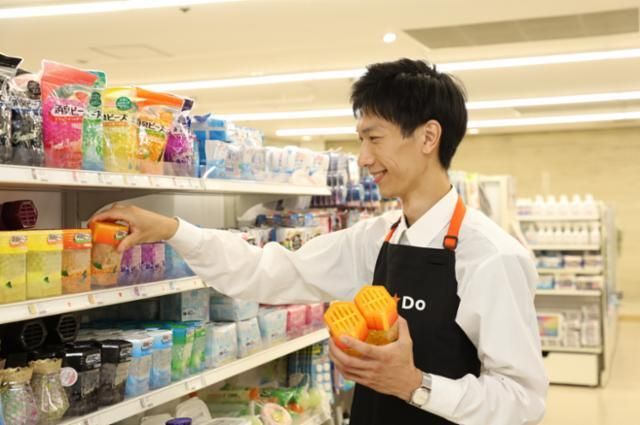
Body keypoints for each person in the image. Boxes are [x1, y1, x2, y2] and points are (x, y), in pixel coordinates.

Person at [91, 58, 548, 425]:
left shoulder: (491, 257)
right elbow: (268, 271)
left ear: (428, 136)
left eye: (374, 138)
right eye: (360, 140)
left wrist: (415, 384)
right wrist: (173, 230)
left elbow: (522, 401)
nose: (363, 158)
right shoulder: (377, 238)